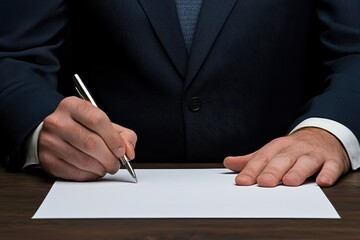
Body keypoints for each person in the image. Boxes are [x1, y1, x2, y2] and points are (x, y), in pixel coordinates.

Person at [0, 0, 359, 187]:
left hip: (285, 194)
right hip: (102, 188)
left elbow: (355, 51)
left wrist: (329, 132)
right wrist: (39, 127)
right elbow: (13, 56)